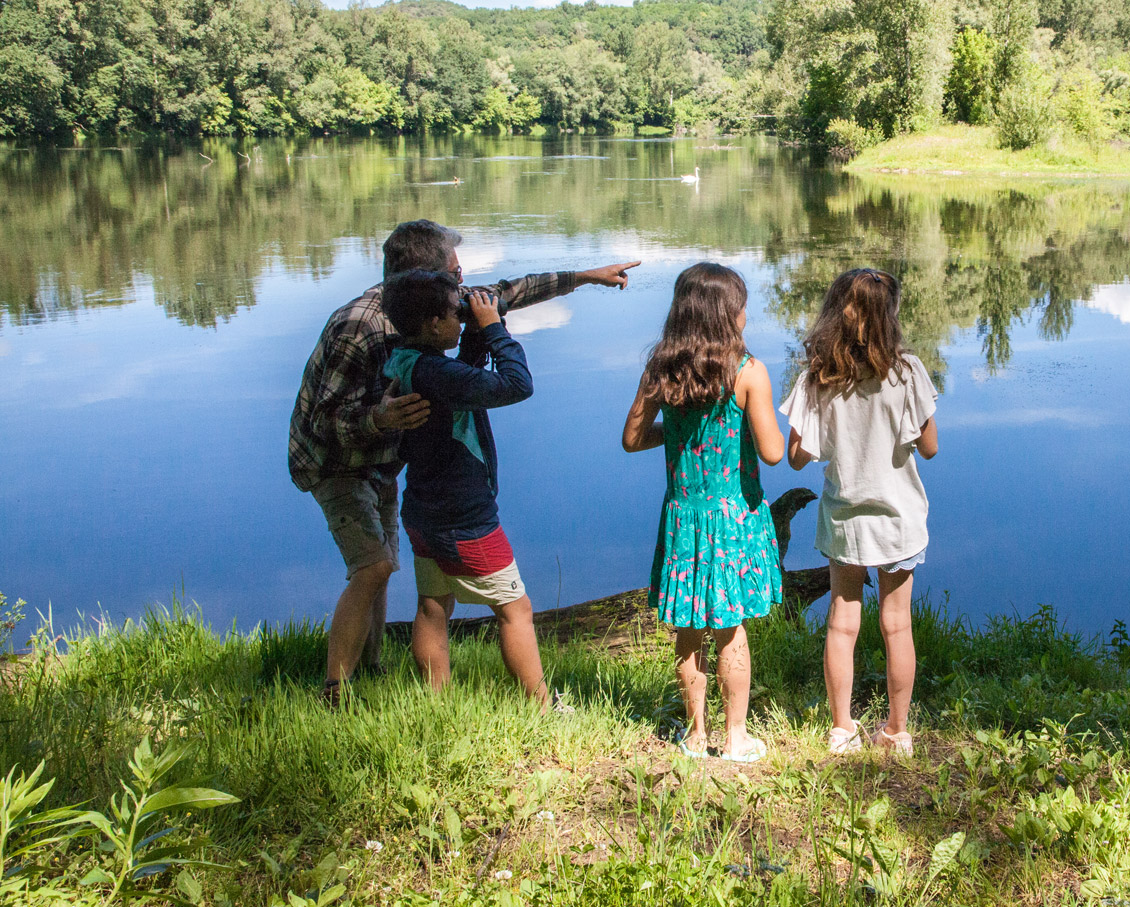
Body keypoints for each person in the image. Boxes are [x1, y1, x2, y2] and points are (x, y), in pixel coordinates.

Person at [288, 218, 638, 705]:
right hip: (337, 459)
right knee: (374, 567)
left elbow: (509, 291)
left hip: (410, 483)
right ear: (430, 288)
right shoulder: (361, 327)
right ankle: (335, 688)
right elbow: (323, 422)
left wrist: (585, 276)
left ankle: (378, 671)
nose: (465, 283)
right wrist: (380, 418)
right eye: (456, 274)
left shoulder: (421, 318)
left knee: (402, 576)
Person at [621, 263, 785, 762]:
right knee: (731, 629)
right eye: (741, 305)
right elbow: (774, 452)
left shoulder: (661, 370)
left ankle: (696, 736)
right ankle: (735, 738)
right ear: (725, 313)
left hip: (684, 519)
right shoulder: (748, 371)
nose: (745, 313)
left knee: (689, 630)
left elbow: (631, 439)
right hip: (734, 520)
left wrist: (674, 436)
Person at [779, 269, 938, 757]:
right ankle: (897, 731)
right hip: (897, 520)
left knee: (841, 624)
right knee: (897, 626)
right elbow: (929, 447)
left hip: (845, 518)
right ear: (889, 316)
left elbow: (796, 456)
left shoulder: (819, 376)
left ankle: (842, 729)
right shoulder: (908, 372)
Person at [380, 271, 557, 707]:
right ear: (431, 325)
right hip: (465, 517)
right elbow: (517, 386)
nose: (461, 322)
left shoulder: (405, 359)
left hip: (423, 510)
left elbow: (462, 377)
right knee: (516, 610)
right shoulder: (435, 372)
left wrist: (475, 336)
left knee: (433, 604)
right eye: (454, 316)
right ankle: (543, 709)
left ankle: (438, 702)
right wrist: (495, 328)